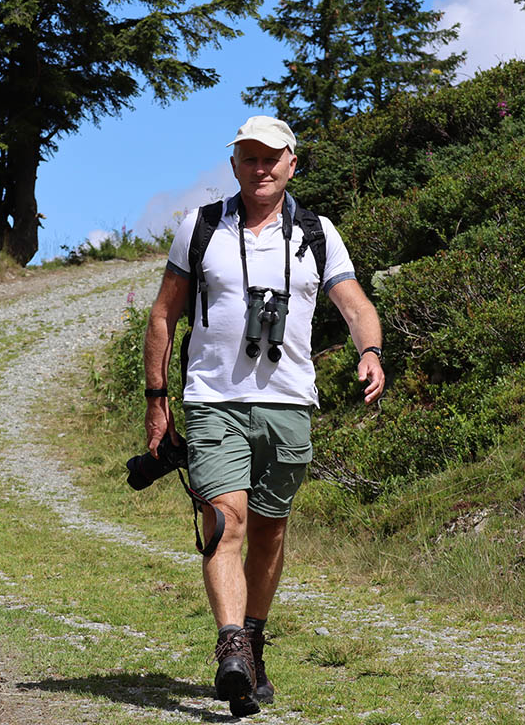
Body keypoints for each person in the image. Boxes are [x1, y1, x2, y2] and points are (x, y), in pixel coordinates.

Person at [143, 115, 384, 717]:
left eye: (273, 157)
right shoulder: (200, 228)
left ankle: (252, 639)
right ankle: (230, 648)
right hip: (212, 401)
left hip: (289, 405)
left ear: (292, 164)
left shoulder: (318, 233)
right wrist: (156, 399)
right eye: (250, 157)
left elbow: (355, 306)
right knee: (226, 523)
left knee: (270, 529)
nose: (262, 167)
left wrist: (371, 351)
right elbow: (163, 316)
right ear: (234, 165)